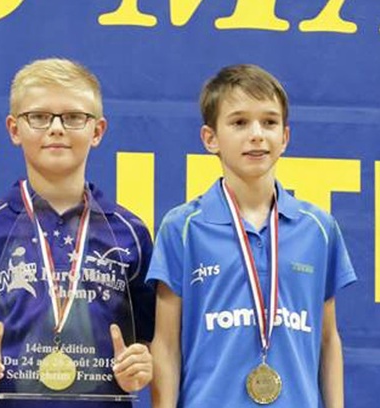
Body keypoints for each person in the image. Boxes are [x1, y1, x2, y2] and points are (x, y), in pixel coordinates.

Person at [0, 58, 154, 407]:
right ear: (14, 129)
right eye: (38, 117)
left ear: (97, 131)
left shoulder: (130, 234)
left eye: (74, 117)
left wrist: (140, 367)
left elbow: (152, 340)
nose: (56, 129)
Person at [147, 64, 357, 407]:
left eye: (269, 122)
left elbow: (328, 340)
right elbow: (166, 345)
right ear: (210, 139)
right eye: (240, 122)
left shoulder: (319, 228)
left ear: (285, 137)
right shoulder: (182, 228)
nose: (257, 134)